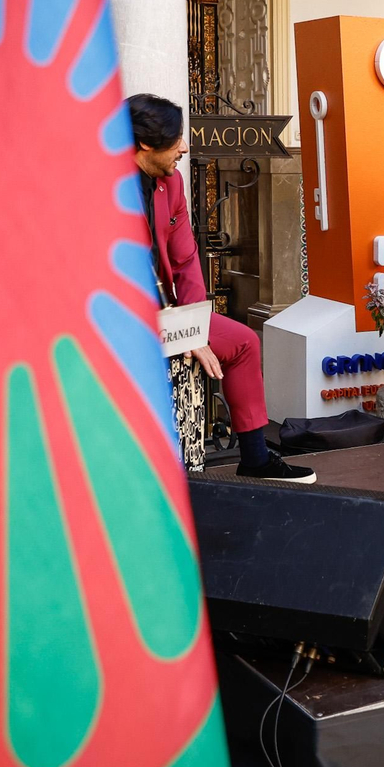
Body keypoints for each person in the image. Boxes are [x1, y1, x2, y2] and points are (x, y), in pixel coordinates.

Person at [129, 94, 315, 483]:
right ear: (146, 143)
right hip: (118, 319)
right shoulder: (96, 188)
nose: (184, 148)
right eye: (176, 138)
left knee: (244, 342)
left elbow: (184, 259)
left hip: (167, 315)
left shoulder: (172, 183)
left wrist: (190, 328)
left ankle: (256, 459)